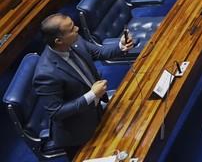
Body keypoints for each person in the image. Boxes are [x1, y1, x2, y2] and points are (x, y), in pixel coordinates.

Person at [33, 13, 135, 158]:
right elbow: (56, 112)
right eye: (71, 28)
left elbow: (98, 52)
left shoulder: (76, 41)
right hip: (77, 132)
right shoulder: (46, 74)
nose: (77, 28)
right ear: (59, 40)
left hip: (96, 112)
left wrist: (120, 45)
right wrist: (92, 95)